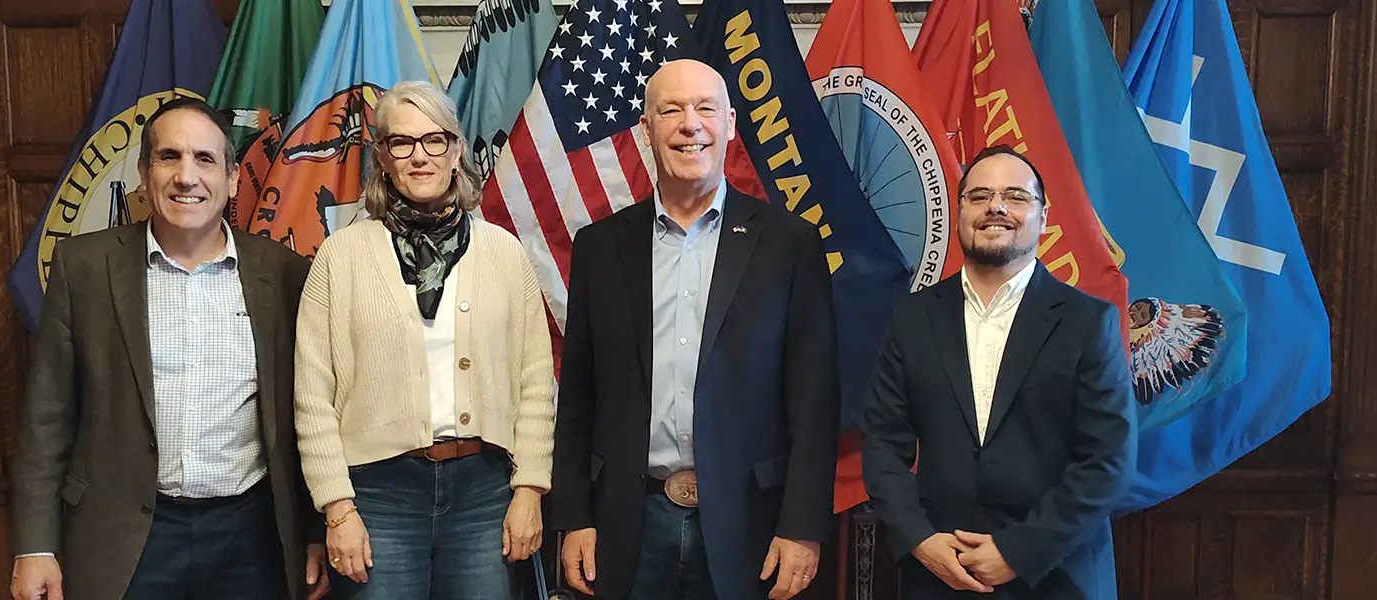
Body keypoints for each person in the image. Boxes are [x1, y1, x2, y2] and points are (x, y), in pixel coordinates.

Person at [7, 97, 328, 600]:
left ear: (233, 177)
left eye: (204, 159)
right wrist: (34, 545)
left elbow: (307, 411)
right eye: (169, 157)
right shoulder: (86, 269)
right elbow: (47, 419)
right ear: (143, 171)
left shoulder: (284, 273)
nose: (186, 176)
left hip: (252, 535)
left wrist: (314, 529)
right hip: (125, 537)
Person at [547, 58, 840, 600]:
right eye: (671, 110)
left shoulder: (789, 244)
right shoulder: (599, 246)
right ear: (646, 127)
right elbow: (579, 396)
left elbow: (814, 401)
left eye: (706, 108)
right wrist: (574, 516)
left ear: (730, 123)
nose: (690, 124)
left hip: (751, 524)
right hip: (627, 523)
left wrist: (802, 526)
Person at [292, 79, 556, 600]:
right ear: (383, 158)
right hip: (376, 495)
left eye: (435, 140)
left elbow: (535, 383)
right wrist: (337, 506)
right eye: (402, 143)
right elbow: (311, 397)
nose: (420, 156)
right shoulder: (340, 258)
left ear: (456, 150)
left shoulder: (503, 253)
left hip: (484, 490)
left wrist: (529, 490)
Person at [860, 145, 1136, 599]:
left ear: (1043, 218)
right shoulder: (912, 318)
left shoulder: (1089, 323)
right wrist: (921, 541)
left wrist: (1018, 551)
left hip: (1057, 576)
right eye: (979, 195)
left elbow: (1109, 461)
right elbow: (882, 443)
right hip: (940, 573)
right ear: (960, 211)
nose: (997, 207)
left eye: (1016, 196)